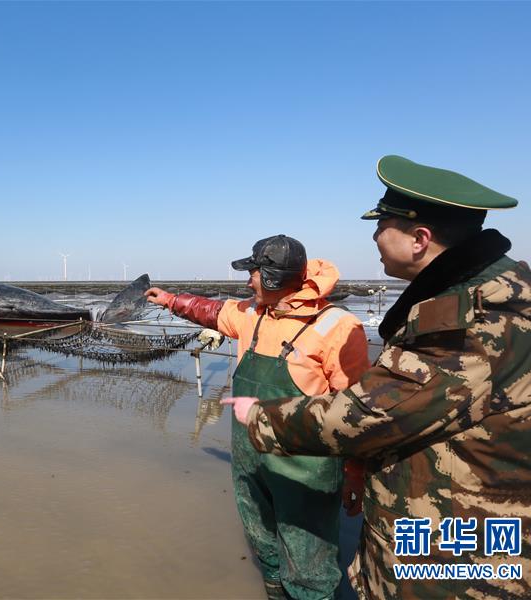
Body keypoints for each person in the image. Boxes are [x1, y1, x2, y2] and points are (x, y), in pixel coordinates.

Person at [225, 155, 531, 599]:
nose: (375, 236)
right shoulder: (489, 295)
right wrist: (171, 300)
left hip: (461, 564)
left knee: (310, 565)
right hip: (459, 528)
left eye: (382, 224)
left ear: (419, 239)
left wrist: (261, 417)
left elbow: (368, 413)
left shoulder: (470, 324)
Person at [145, 235, 370, 600]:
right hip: (250, 461)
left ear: (272, 278)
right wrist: (171, 300)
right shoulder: (253, 313)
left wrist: (355, 474)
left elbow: (356, 414)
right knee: (264, 543)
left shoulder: (338, 327)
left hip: (306, 472)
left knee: (309, 561)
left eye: (253, 273)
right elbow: (212, 311)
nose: (248, 282)